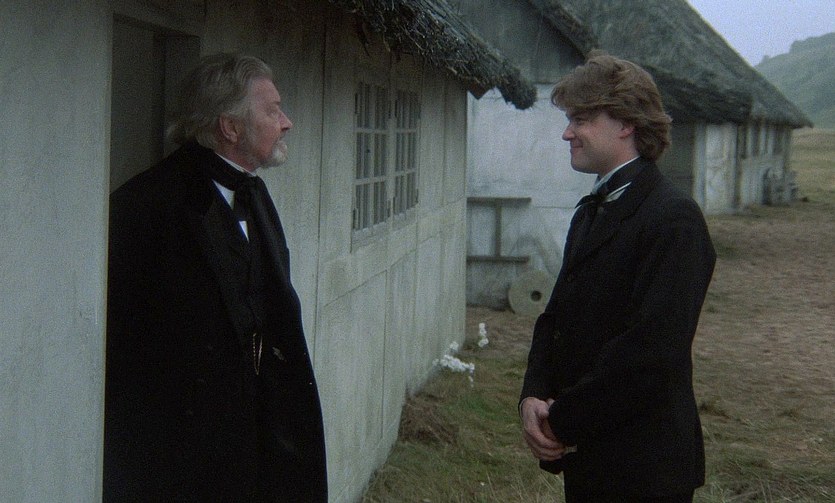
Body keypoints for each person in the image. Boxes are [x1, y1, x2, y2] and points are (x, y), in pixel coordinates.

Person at [104, 53, 327, 502]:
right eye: (273, 111)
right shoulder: (145, 205)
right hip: (183, 457)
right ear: (230, 127)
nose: (287, 123)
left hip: (256, 441)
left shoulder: (255, 193)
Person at [519, 52, 716, 502]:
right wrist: (533, 395)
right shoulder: (593, 210)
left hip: (644, 465)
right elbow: (556, 318)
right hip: (590, 454)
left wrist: (561, 420)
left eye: (581, 119)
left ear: (626, 123)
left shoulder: (673, 219)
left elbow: (652, 352)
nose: (567, 133)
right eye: (569, 119)